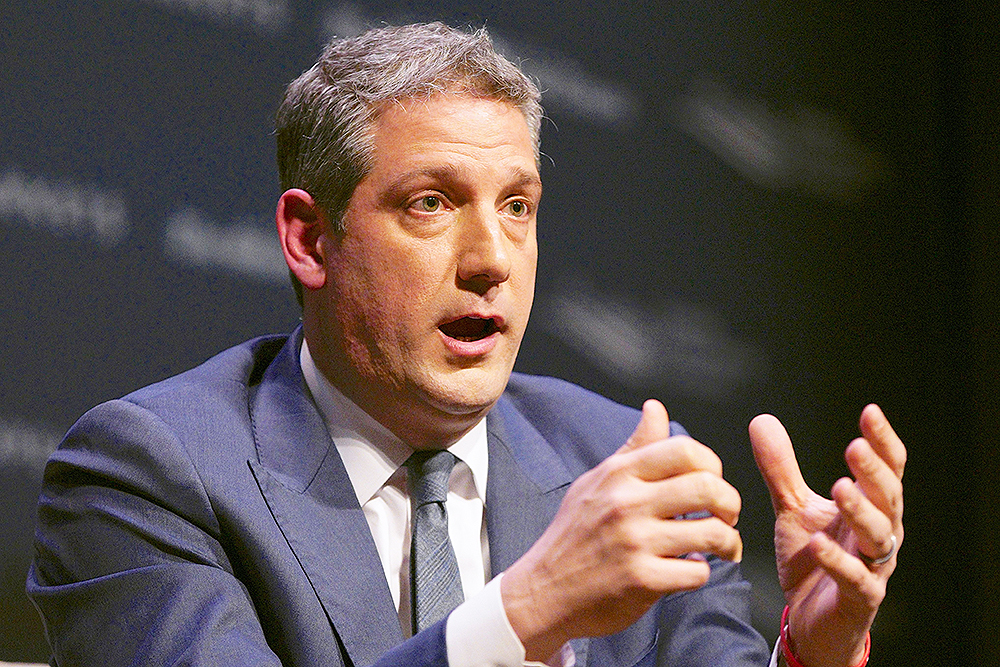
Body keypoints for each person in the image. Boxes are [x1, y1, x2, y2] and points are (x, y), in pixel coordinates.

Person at [27, 22, 905, 667]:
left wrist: (814, 647)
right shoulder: (151, 474)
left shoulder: (628, 465)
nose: (492, 260)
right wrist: (527, 609)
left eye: (517, 206)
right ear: (310, 238)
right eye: (431, 203)